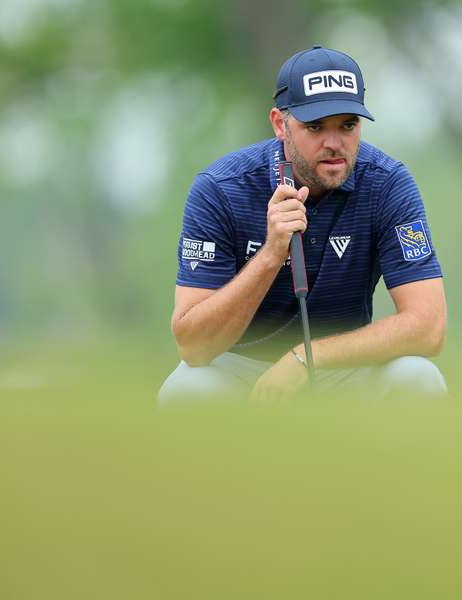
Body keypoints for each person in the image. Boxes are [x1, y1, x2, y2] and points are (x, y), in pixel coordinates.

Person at [157, 46, 447, 406]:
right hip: (241, 370)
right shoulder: (220, 188)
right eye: (314, 126)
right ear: (280, 124)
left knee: (418, 377)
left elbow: (428, 326)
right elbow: (193, 346)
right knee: (184, 391)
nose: (333, 143)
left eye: (348, 125)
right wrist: (270, 255)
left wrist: (305, 357)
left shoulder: (387, 184)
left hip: (342, 366)